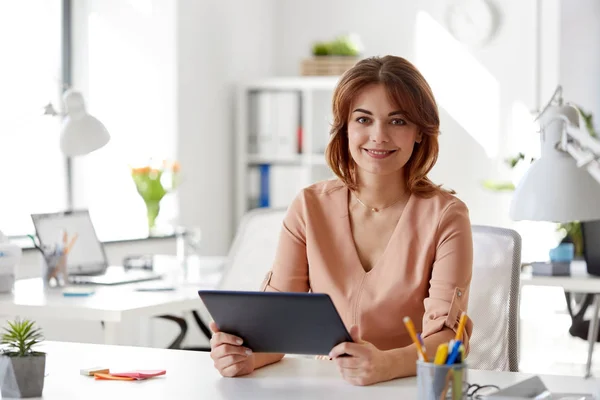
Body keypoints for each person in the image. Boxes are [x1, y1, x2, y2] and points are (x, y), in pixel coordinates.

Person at [209, 55, 474, 386]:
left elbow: (451, 340)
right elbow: (277, 329)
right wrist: (243, 356)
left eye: (398, 121)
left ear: (420, 133)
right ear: (345, 127)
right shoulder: (309, 206)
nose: (378, 136)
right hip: (329, 388)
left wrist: (386, 365)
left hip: (410, 387)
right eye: (363, 120)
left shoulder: (447, 216)